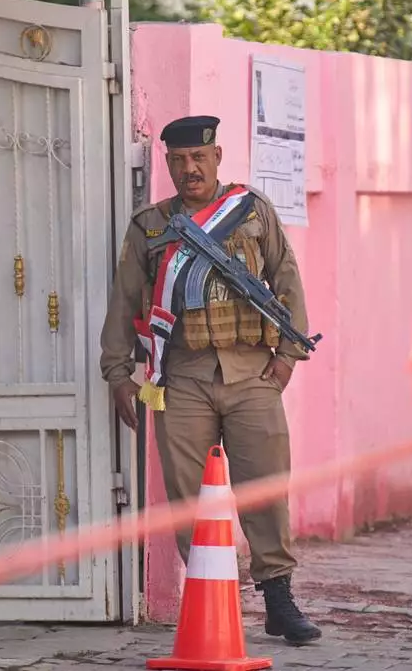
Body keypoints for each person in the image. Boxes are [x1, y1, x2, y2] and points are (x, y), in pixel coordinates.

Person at [98, 115, 321, 645]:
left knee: (265, 486)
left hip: (251, 371)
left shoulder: (251, 210)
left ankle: (279, 599)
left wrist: (287, 358)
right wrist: (118, 373)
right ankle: (211, 600)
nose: (189, 169)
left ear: (217, 156)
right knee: (189, 497)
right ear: (168, 164)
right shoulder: (150, 227)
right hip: (180, 378)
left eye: (198, 158)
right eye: (178, 160)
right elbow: (125, 300)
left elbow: (286, 278)